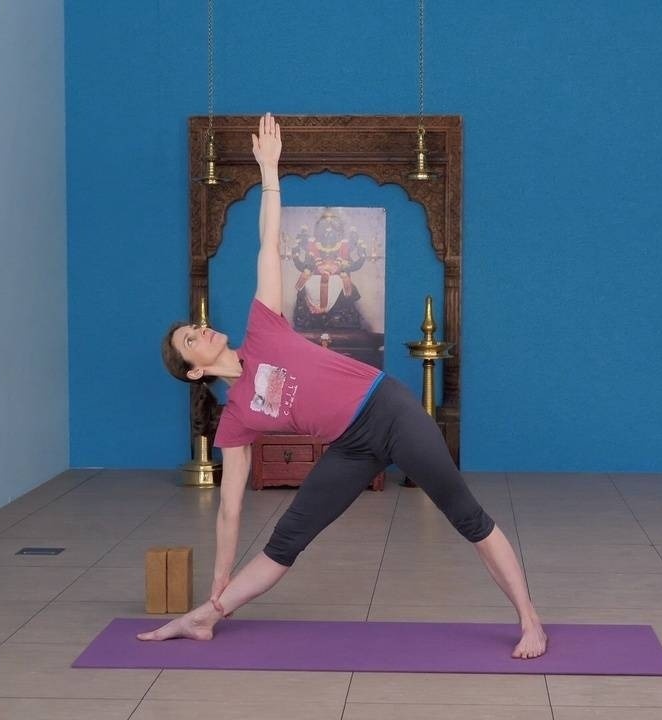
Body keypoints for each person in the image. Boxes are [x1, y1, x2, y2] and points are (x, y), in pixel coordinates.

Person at [143, 113, 547, 659]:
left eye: (196, 326)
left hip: (389, 411)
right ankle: (204, 618)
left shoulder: (263, 326)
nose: (202, 331)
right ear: (194, 370)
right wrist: (218, 580)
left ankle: (530, 621)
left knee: (465, 515)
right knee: (287, 539)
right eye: (192, 340)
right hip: (351, 446)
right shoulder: (236, 419)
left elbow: (268, 246)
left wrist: (269, 173)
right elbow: (230, 508)